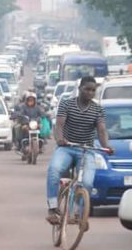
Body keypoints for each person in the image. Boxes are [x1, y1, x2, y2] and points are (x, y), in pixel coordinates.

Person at [46, 76, 114, 225]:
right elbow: (59, 125)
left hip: (86, 150)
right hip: (67, 148)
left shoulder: (98, 109)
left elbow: (102, 130)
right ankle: (52, 208)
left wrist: (106, 146)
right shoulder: (67, 104)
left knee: (88, 183)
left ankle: (79, 212)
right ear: (80, 89)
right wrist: (60, 139)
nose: (90, 93)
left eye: (93, 90)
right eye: (87, 89)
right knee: (54, 169)